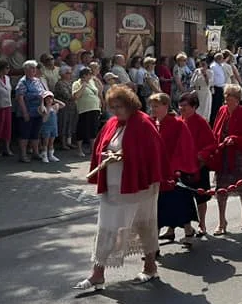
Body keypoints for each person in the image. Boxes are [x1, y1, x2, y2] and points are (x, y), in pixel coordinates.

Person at [73, 85, 164, 290]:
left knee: (143, 224)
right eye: (112, 107)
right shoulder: (112, 123)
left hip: (139, 186)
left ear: (129, 105)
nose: (115, 111)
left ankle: (150, 266)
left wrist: (127, 156)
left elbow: (153, 153)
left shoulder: (143, 123)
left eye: (119, 106)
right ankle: (98, 273)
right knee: (107, 225)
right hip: (114, 186)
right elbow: (100, 146)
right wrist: (105, 156)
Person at [208, 83, 242, 235]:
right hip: (224, 155)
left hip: (239, 157)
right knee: (221, 189)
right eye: (226, 96)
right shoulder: (222, 110)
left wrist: (235, 139)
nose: (226, 99)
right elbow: (215, 130)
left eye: (230, 97)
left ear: (237, 99)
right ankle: (222, 221)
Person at [150, 93, 199, 247]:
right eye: (152, 106)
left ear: (166, 106)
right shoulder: (152, 124)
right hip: (158, 174)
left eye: (156, 106)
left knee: (180, 206)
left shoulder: (177, 124)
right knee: (157, 210)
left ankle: (188, 231)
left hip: (174, 174)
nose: (153, 109)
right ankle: (153, 245)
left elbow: (184, 148)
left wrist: (176, 169)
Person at [177, 93, 217, 235]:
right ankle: (176, 227)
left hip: (199, 165)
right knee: (181, 198)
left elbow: (212, 143)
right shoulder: (178, 121)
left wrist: (201, 155)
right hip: (181, 166)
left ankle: (202, 224)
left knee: (201, 197)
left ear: (194, 107)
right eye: (180, 105)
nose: (182, 108)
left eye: (185, 106)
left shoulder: (201, 122)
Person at [14, 60, 46, 163]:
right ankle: (23, 155)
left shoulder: (37, 80)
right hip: (27, 111)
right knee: (25, 134)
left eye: (35, 68)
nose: (34, 70)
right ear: (25, 70)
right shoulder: (22, 82)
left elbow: (43, 93)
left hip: (38, 111)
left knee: (35, 133)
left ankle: (35, 153)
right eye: (31, 68)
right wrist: (25, 113)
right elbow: (20, 98)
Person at [72, 67, 102, 158]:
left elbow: (99, 91)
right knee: (82, 129)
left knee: (93, 129)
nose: (91, 76)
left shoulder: (92, 82)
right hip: (84, 109)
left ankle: (92, 149)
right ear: (84, 75)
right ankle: (79, 150)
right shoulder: (76, 83)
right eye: (89, 74)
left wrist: (98, 82)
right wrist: (83, 86)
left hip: (95, 108)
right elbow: (75, 96)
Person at [38, 91, 65, 164]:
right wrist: (46, 106)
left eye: (50, 98)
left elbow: (63, 104)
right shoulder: (43, 108)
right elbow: (44, 119)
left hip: (54, 127)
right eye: (47, 99)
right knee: (45, 142)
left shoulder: (55, 106)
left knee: (51, 142)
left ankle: (51, 155)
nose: (49, 100)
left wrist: (54, 99)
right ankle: (44, 155)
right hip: (46, 127)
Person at [54, 66, 76, 151]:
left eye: (70, 73)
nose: (70, 75)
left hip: (72, 106)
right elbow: (68, 96)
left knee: (70, 124)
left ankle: (69, 142)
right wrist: (76, 95)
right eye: (67, 73)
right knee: (63, 124)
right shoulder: (60, 84)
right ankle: (63, 143)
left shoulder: (71, 83)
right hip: (64, 107)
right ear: (62, 74)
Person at [209, 53, 227, 124]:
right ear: (218, 59)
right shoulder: (213, 66)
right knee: (215, 105)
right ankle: (213, 121)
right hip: (216, 88)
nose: (223, 60)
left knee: (219, 104)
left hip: (220, 87)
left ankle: (218, 119)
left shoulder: (219, 66)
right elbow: (212, 78)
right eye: (222, 58)